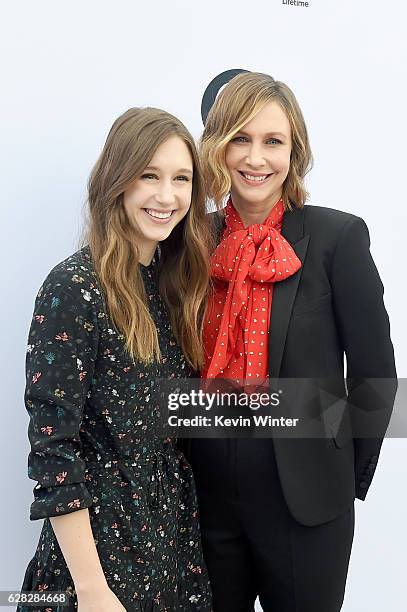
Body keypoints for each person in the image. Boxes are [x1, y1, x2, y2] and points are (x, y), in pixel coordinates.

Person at [185, 72, 397, 611]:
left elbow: (375, 371)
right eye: (241, 138)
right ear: (217, 146)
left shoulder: (338, 238)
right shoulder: (189, 241)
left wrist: (339, 472)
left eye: (273, 141)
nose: (256, 158)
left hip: (307, 506)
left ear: (294, 150)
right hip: (203, 499)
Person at [18, 107, 213, 612]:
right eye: (149, 175)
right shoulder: (74, 288)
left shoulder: (175, 289)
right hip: (96, 563)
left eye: (181, 178)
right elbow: (54, 451)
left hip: (169, 546)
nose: (166, 196)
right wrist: (91, 590)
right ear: (116, 181)